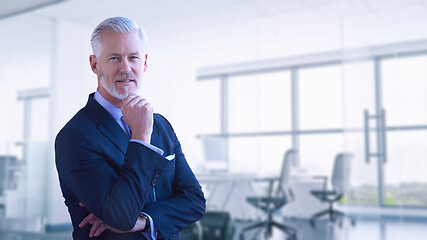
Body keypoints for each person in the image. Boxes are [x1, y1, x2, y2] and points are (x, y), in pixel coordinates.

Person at [55, 17, 206, 240]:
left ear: (144, 62)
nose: (126, 68)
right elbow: (121, 216)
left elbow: (194, 201)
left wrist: (144, 221)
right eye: (114, 58)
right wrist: (141, 137)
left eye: (133, 57)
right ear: (95, 64)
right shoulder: (75, 136)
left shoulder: (162, 125)